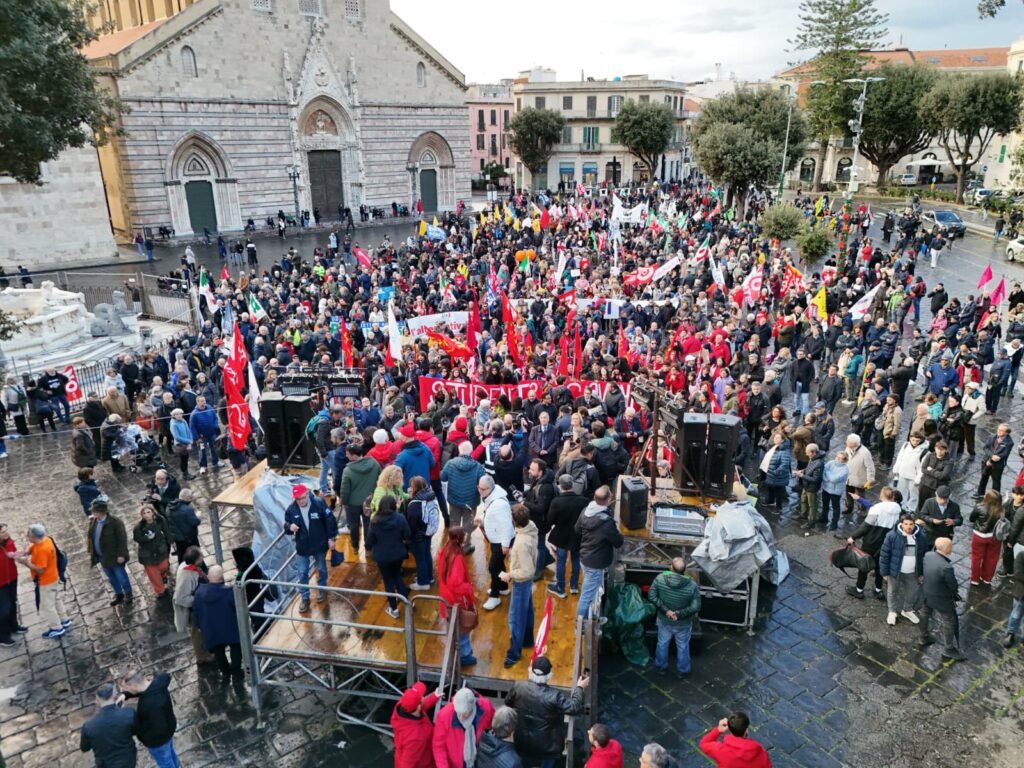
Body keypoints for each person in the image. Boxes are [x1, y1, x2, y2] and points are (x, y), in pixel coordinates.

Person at [504, 656, 588, 768]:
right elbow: (574, 708)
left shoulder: (518, 686)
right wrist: (579, 688)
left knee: (525, 763)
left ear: (531, 671)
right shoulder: (554, 695)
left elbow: (508, 702)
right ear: (549, 675)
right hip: (548, 746)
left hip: (523, 741)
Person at [284, 483, 337, 612]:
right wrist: (290, 527)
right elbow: (286, 525)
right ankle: (305, 597)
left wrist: (331, 538)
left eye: (302, 497)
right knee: (302, 572)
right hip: (302, 546)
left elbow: (330, 520)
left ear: (307, 494)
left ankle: (322, 589)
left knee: (321, 568)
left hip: (319, 544)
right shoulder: (291, 509)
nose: (301, 501)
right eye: (298, 499)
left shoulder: (319, 503)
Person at [843, 487, 902, 601]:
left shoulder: (877, 509)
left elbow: (865, 527)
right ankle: (878, 590)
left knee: (864, 564)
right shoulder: (897, 508)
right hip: (886, 541)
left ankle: (859, 590)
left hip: (872, 541)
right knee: (880, 566)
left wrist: (853, 536)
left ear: (882, 496)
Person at [575, 485, 623, 619]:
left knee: (593, 591)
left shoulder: (586, 511)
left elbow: (577, 529)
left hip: (585, 557)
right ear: (608, 500)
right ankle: (581, 625)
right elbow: (618, 542)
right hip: (596, 562)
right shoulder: (607, 522)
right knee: (587, 595)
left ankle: (593, 617)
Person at [648, 557, 701, 677]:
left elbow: (652, 596)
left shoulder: (660, 578)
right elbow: (696, 607)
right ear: (685, 570)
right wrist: (679, 614)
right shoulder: (692, 585)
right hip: (683, 622)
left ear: (671, 567)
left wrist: (667, 611)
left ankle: (661, 667)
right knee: (683, 646)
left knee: (662, 643)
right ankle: (683, 670)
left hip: (664, 619)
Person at [501, 505, 538, 668]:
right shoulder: (531, 528)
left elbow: (526, 571)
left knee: (515, 618)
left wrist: (510, 575)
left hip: (521, 582)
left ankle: (514, 653)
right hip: (526, 582)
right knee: (528, 610)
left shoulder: (521, 543)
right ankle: (527, 640)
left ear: (514, 521)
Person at [120, 669, 181, 768]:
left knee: (165, 762)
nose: (125, 690)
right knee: (169, 753)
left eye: (126, 688)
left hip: (158, 741)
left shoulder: (146, 705)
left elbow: (141, 727)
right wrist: (126, 695)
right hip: (169, 728)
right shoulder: (159, 682)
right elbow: (145, 691)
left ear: (135, 686)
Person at [919, 537, 965, 661]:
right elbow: (953, 585)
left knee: (925, 613)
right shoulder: (946, 567)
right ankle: (948, 648)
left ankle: (923, 636)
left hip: (927, 592)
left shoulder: (928, 555)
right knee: (949, 621)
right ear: (947, 549)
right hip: (942, 599)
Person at [193, 564, 243, 678]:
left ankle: (225, 671)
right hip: (230, 629)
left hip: (212, 631)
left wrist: (199, 626)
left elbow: (196, 611)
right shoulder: (230, 592)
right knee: (236, 648)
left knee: (218, 652)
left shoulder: (199, 592)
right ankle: (236, 670)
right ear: (221, 578)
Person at [437, 527, 477, 667]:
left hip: (446, 596)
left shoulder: (445, 551)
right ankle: (464, 656)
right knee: (463, 627)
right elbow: (456, 583)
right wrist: (469, 587)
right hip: (457, 600)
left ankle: (455, 652)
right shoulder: (457, 558)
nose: (466, 537)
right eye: (464, 535)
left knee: (453, 627)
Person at [367, 494, 411, 619]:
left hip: (382, 557)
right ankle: (406, 603)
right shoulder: (400, 518)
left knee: (388, 580)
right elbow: (407, 535)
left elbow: (369, 541)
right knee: (397, 576)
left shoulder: (374, 521)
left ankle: (394, 609)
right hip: (398, 555)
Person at [879, 514, 926, 626]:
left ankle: (907, 610)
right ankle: (892, 612)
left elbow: (923, 555)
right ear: (901, 524)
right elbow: (884, 555)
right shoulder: (892, 536)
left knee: (912, 591)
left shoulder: (921, 537)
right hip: (895, 571)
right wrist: (885, 573)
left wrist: (921, 573)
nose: (909, 527)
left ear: (914, 524)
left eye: (911, 524)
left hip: (913, 572)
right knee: (892, 591)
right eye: (906, 524)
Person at [476, 475, 515, 611]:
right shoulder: (491, 498)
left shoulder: (499, 504)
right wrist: (482, 519)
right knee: (498, 565)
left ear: (490, 488)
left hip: (500, 540)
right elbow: (491, 514)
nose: (479, 491)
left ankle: (495, 596)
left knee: (493, 567)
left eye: (482, 489)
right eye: (479, 488)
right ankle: (503, 587)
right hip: (495, 538)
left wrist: (505, 545)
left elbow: (506, 526)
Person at [432, 686, 495, 768]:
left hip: (479, 760)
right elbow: (438, 746)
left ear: (472, 707)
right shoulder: (444, 716)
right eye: (458, 712)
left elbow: (493, 728)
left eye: (465, 714)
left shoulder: (486, 708)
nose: (460, 716)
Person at [172, 545, 215, 665]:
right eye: (200, 556)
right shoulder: (186, 574)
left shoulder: (191, 567)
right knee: (197, 633)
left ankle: (207, 648)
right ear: (195, 560)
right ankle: (202, 656)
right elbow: (181, 598)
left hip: (200, 607)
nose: (202, 557)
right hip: (195, 609)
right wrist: (200, 600)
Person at [441, 441, 487, 551]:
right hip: (471, 501)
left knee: (454, 522)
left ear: (459, 451)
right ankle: (465, 546)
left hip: (454, 499)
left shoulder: (450, 463)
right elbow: (482, 483)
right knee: (468, 524)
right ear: (471, 452)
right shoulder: (478, 466)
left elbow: (443, 477)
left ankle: (453, 544)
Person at [87, 497, 134, 606]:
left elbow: (122, 539)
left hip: (114, 556)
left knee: (121, 576)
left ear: (101, 512)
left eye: (94, 511)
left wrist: (121, 554)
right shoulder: (93, 521)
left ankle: (128, 593)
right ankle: (119, 594)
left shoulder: (115, 522)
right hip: (102, 556)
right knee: (111, 578)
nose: (92, 512)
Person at [547, 474, 587, 598]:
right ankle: (574, 586)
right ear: (572, 485)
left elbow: (550, 520)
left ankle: (560, 587)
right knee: (576, 560)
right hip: (577, 536)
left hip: (561, 536)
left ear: (560, 486)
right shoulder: (584, 500)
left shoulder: (556, 502)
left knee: (561, 561)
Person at [338, 439, 380, 555]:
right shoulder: (374, 464)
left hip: (353, 504)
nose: (346, 455)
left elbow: (344, 489)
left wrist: (344, 501)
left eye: (347, 454)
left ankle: (355, 546)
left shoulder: (347, 470)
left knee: (353, 525)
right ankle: (369, 548)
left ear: (352, 455)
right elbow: (380, 480)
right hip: (370, 500)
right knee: (368, 524)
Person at [80, 683, 138, 768]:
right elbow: (136, 730)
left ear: (97, 701)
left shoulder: (88, 726)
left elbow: (85, 748)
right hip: (128, 759)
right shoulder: (129, 713)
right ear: (115, 697)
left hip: (106, 764)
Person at [391, 681, 441, 768]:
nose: (423, 696)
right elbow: (407, 764)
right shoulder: (415, 737)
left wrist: (433, 697)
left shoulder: (402, 706)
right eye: (422, 697)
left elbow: (421, 707)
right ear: (418, 707)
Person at [698, 711, 772, 768]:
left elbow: (704, 743)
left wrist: (718, 730)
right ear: (746, 730)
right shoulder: (761, 752)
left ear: (729, 728)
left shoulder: (720, 750)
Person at [405, 476, 437, 590]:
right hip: (428, 531)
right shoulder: (429, 496)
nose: (409, 489)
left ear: (415, 488)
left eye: (411, 487)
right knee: (426, 554)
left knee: (420, 558)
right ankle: (429, 577)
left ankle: (423, 583)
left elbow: (411, 524)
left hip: (418, 535)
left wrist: (407, 537)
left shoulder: (415, 504)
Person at [133, 504, 172, 598]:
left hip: (160, 550)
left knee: (164, 566)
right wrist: (147, 538)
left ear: (153, 513)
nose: (146, 515)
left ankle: (162, 577)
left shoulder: (160, 520)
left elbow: (166, 531)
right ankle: (160, 590)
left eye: (148, 512)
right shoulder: (139, 527)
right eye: (144, 513)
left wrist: (171, 541)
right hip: (148, 554)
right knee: (153, 573)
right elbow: (137, 538)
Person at [0, 525, 27, 647]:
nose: (7, 533)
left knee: (13, 602)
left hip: (11, 577)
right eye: (3, 532)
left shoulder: (9, 542)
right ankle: (3, 636)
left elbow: (13, 554)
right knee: (4, 609)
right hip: (0, 583)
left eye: (6, 530)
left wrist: (18, 556)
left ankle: (14, 626)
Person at [968, 491, 1003, 586]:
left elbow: (971, 519)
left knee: (976, 558)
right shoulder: (1001, 510)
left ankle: (974, 579)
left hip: (979, 536)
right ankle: (987, 578)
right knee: (992, 558)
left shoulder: (980, 507)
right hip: (994, 537)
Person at [976, 423, 1013, 498]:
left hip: (998, 465)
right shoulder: (992, 437)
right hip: (986, 461)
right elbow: (986, 448)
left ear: (1006, 432)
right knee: (984, 476)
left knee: (996, 480)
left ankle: (995, 496)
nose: (998, 431)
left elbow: (1005, 453)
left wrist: (998, 457)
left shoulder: (1009, 442)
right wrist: (992, 456)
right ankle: (980, 492)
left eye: (1001, 430)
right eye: (998, 429)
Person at [165, 488, 201, 563]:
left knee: (181, 555)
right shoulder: (187, 509)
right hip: (189, 538)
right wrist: (198, 516)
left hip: (178, 538)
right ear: (187, 498)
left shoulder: (169, 507)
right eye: (191, 498)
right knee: (196, 555)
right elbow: (195, 522)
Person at [795, 443, 823, 532]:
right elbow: (809, 469)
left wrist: (802, 475)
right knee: (803, 500)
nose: (806, 454)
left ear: (813, 452)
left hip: (812, 488)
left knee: (812, 506)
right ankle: (803, 515)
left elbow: (815, 479)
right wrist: (802, 471)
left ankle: (811, 522)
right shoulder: (812, 458)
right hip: (806, 485)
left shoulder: (819, 463)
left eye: (807, 452)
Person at [819, 451, 848, 531]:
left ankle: (834, 523)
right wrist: (827, 479)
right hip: (826, 488)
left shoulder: (845, 470)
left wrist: (828, 474)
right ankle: (824, 517)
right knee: (825, 504)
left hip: (836, 491)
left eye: (841, 458)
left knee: (836, 507)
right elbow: (823, 471)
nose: (838, 459)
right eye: (837, 457)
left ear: (845, 460)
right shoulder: (831, 462)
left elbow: (834, 479)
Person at [1002, 548, 1024, 648]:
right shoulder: (1021, 555)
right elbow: (1018, 574)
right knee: (1016, 614)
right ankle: (1011, 633)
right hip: (1021, 593)